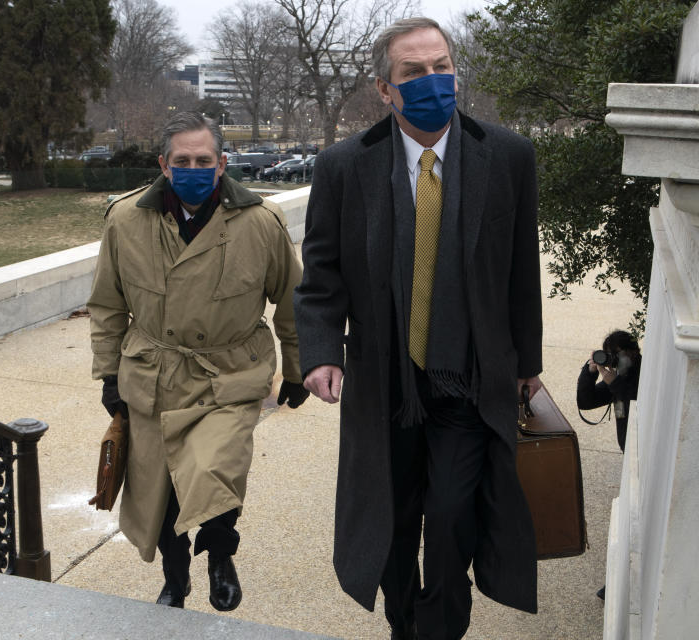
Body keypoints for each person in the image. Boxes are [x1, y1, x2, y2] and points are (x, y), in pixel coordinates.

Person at [293, 17, 542, 640]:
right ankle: (405, 626)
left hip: (470, 378)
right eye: (414, 73)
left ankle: (441, 629)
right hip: (387, 384)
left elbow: (520, 270)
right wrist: (322, 352)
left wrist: (527, 364)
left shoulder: (507, 156)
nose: (433, 81)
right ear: (384, 89)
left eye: (441, 67)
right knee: (395, 520)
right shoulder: (344, 167)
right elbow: (321, 275)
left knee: (453, 513)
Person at [87, 111, 308, 611]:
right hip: (153, 376)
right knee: (160, 495)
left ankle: (220, 556)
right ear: (163, 165)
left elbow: (294, 300)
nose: (193, 168)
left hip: (227, 375)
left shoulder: (260, 221)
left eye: (203, 160)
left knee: (215, 472)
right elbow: (106, 304)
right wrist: (108, 374)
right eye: (182, 160)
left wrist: (296, 369)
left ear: (222, 163)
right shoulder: (125, 220)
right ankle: (175, 576)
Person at [576, 330, 641, 452]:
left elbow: (634, 405)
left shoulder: (642, 376)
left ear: (634, 352)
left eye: (617, 354)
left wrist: (615, 384)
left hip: (640, 447)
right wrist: (589, 372)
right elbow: (586, 402)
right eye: (610, 355)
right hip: (627, 447)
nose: (614, 360)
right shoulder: (619, 377)